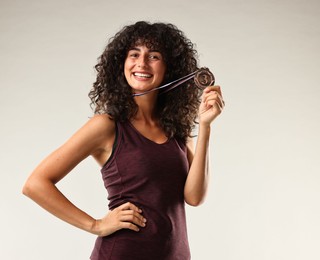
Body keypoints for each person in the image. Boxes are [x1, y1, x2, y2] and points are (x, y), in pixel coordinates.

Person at [22, 21, 224, 259]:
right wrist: (95, 225)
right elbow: (35, 184)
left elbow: (194, 197)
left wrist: (205, 126)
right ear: (122, 63)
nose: (142, 63)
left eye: (154, 56)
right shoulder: (107, 125)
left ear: (169, 68)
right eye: (134, 54)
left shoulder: (177, 130)